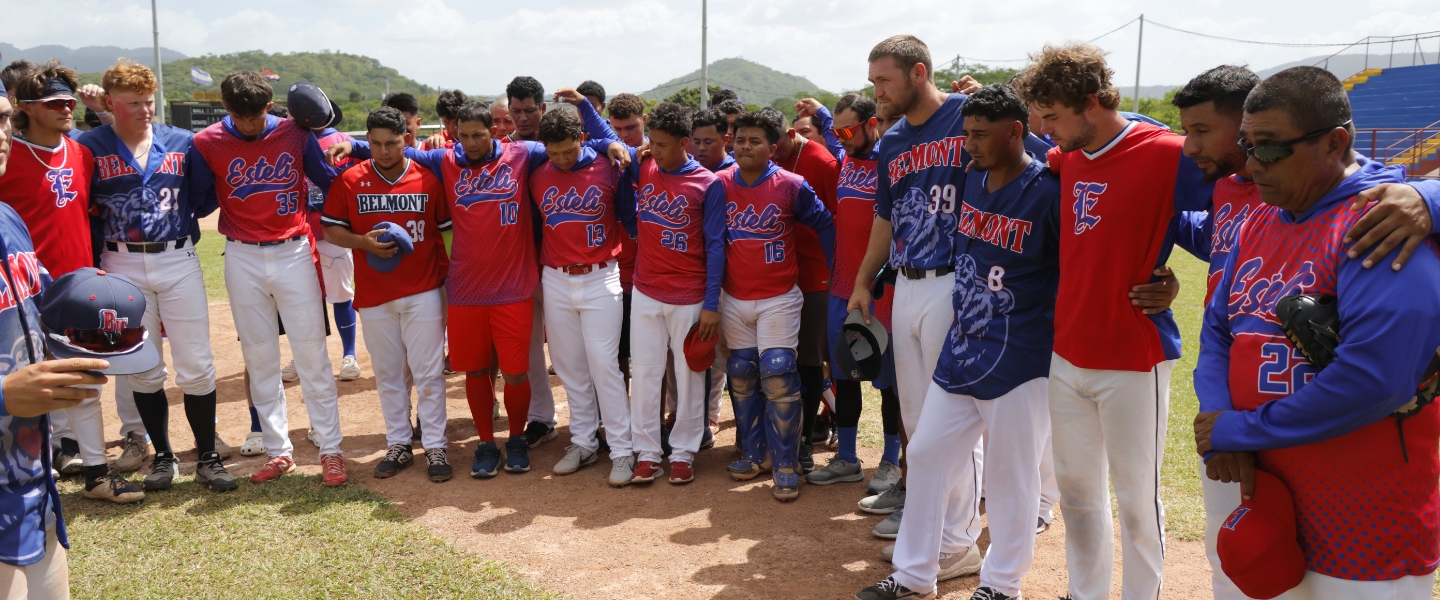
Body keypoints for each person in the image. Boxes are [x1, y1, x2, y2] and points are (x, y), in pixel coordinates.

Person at [1168, 64, 1440, 600]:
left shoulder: (1379, 220)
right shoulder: (1259, 220)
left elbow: (1373, 380)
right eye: (1246, 143)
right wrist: (1221, 418)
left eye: (1268, 146)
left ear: (1335, 142)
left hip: (1362, 505)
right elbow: (1221, 330)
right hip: (1258, 481)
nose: (1251, 161)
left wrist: (1239, 430)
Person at [327, 99, 628, 478]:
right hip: (466, 288)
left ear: (495, 132)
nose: (470, 142)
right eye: (463, 135)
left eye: (478, 135)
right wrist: (354, 146)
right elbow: (397, 148)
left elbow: (574, 144)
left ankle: (516, 438)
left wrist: (608, 143)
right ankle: (486, 443)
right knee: (476, 372)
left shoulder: (523, 154)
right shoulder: (444, 160)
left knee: (517, 373)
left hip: (514, 286)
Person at [1011, 43, 1214, 600]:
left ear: (1092, 103)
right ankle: (1086, 592)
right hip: (1067, 351)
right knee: (1076, 493)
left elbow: (1234, 206)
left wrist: (1171, 266)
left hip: (1133, 354)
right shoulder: (1068, 154)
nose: (1045, 130)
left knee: (1137, 497)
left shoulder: (1168, 153)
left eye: (1053, 116)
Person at [859, 83, 1064, 600]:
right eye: (966, 133)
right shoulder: (973, 177)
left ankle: (1001, 585)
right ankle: (914, 574)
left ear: (1016, 132)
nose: (967, 144)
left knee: (1010, 475)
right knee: (926, 452)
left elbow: (1079, 269)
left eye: (979, 135)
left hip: (1019, 352)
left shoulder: (1048, 191)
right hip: (965, 343)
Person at [74, 59, 237, 493]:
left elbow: (201, 197)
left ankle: (208, 455)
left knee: (197, 363)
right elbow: (82, 205)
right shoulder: (90, 146)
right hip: (119, 262)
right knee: (143, 366)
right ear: (110, 102)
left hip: (177, 257)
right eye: (134, 103)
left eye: (149, 101)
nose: (146, 110)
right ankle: (162, 455)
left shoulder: (182, 142)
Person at [846, 35, 984, 549]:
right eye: (873, 80)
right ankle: (928, 527)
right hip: (906, 283)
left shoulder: (970, 114)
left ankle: (958, 540)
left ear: (918, 73)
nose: (875, 90)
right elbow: (885, 214)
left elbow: (1035, 161)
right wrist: (863, 280)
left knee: (955, 417)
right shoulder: (894, 139)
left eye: (884, 79)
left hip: (958, 277)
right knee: (917, 419)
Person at [189, 70, 347, 486]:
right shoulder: (207, 141)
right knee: (260, 359)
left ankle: (330, 449)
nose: (253, 124)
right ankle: (279, 451)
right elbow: (200, 199)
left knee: (311, 354)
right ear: (226, 108)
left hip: (295, 248)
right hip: (241, 254)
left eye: (258, 114)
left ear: (269, 103)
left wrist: (357, 152)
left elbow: (327, 179)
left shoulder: (295, 132)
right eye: (243, 117)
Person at [0, 60, 145, 504]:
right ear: (24, 108)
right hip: (25, 290)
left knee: (82, 379)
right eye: (54, 102)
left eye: (69, 100)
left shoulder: (81, 152)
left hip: (79, 283)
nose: (66, 107)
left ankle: (95, 470)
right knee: (28, 379)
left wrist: (103, 109)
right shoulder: (10, 156)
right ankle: (52, 463)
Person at [321, 106, 454, 483]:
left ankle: (435, 445)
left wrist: (449, 278)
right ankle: (398, 443)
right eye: (375, 143)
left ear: (407, 140)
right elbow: (332, 230)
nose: (383, 151)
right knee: (389, 375)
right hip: (375, 294)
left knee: (429, 374)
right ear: (366, 141)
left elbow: (446, 232)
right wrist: (361, 241)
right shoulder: (350, 179)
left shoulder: (428, 179)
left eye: (392, 143)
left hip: (423, 290)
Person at [720, 110, 834, 502]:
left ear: (773, 147)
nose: (746, 146)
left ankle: (786, 464)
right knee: (741, 373)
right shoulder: (718, 184)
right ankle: (755, 454)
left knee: (779, 373)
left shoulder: (792, 184)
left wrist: (835, 270)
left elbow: (824, 224)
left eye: (755, 141)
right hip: (733, 296)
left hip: (779, 296)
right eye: (740, 139)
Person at [0, 81, 86, 598]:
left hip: (31, 482)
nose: (2, 135)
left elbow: (37, 313)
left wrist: (86, 337)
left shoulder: (9, 218)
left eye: (4, 119)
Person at [797, 93, 903, 497]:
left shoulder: (891, 159)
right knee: (845, 373)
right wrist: (821, 114)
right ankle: (848, 459)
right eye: (835, 131)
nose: (839, 137)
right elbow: (832, 129)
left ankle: (892, 462)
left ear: (872, 123)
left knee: (889, 382)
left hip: (882, 288)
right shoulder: (845, 158)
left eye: (847, 130)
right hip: (842, 285)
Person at [615, 102, 726, 485]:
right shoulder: (645, 166)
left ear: (684, 143)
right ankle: (647, 452)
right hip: (646, 290)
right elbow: (608, 147)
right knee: (645, 373)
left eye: (663, 144)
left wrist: (711, 305)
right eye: (652, 143)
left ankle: (683, 453)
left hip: (690, 295)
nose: (655, 150)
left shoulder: (708, 183)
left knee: (689, 375)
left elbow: (716, 247)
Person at [531, 89, 636, 486]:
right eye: (553, 152)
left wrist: (608, 141)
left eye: (567, 151)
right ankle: (583, 441)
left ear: (580, 138)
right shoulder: (539, 171)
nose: (560, 159)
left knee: (604, 365)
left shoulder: (610, 165)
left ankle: (623, 450)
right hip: (555, 278)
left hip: (600, 275)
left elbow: (629, 217)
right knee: (571, 367)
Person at [761, 106, 839, 472]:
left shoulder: (821, 161)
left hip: (813, 277)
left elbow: (835, 218)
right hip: (776, 275)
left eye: (775, 143)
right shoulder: (766, 160)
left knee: (809, 362)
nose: (771, 152)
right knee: (777, 363)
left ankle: (806, 441)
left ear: (791, 133)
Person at [285, 82, 363, 386]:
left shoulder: (289, 138)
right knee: (337, 295)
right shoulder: (346, 141)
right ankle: (348, 355)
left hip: (303, 231)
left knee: (303, 300)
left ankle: (344, 355)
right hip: (331, 232)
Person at [689, 109, 734, 173]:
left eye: (708, 142)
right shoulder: (688, 172)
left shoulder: (735, 174)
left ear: (725, 140)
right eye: (697, 142)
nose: (701, 148)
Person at [506, 76, 546, 143]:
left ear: (543, 109)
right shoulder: (499, 150)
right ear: (509, 110)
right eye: (516, 111)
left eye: (529, 111)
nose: (523, 118)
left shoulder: (559, 146)